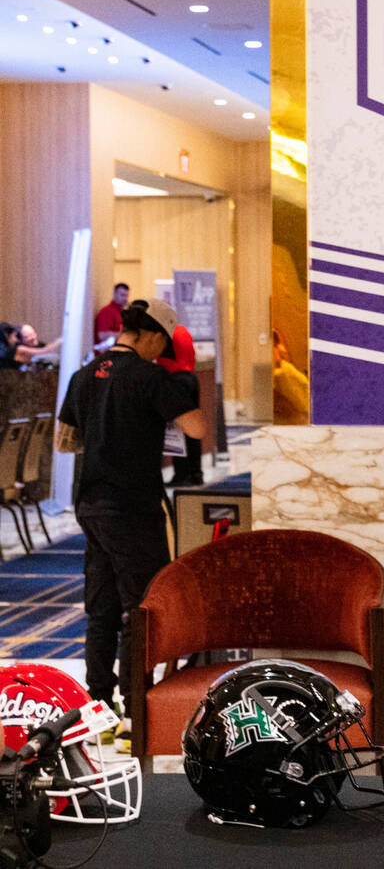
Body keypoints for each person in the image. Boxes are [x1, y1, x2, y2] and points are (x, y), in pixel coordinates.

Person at [57, 298, 205, 728]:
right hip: (134, 508)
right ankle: (136, 709)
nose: (161, 354)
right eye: (162, 346)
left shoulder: (83, 375)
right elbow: (196, 427)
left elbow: (64, 443)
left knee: (101, 608)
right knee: (141, 609)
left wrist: (104, 436)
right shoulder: (151, 376)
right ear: (153, 335)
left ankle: (97, 707)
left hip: (90, 506)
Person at [156, 324, 204, 486]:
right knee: (191, 431)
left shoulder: (165, 333)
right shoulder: (182, 330)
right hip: (190, 378)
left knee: (178, 430)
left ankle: (182, 474)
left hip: (176, 380)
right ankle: (196, 473)